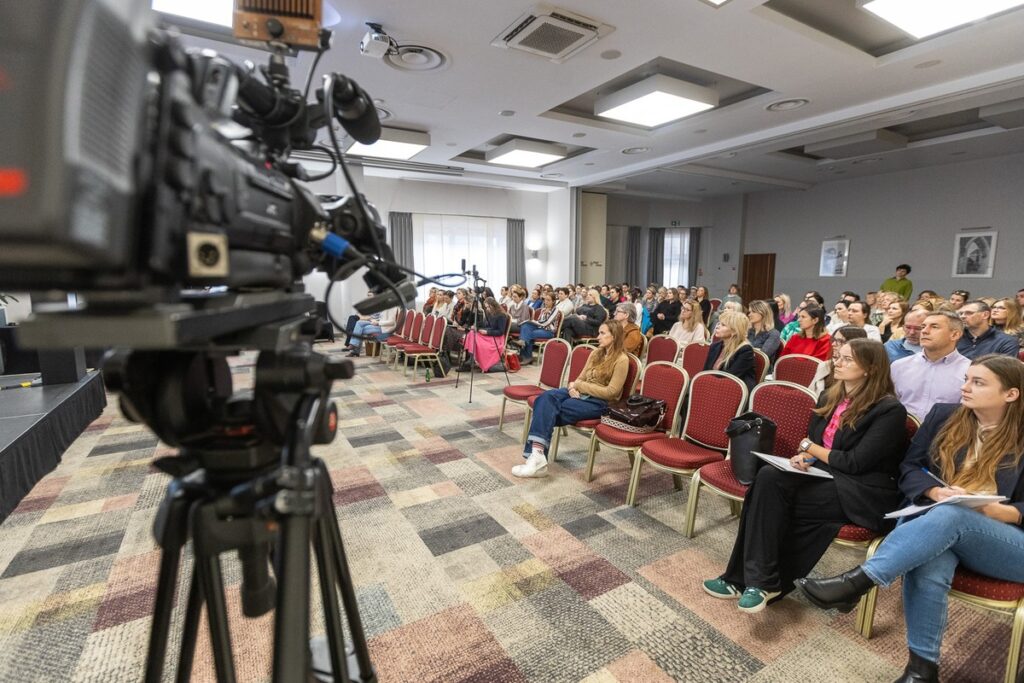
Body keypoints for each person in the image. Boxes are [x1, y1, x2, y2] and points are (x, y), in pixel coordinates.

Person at [796, 355, 1024, 683]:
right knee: (931, 555)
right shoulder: (946, 416)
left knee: (949, 517)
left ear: (1011, 394)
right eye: (967, 379)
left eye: (978, 382)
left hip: (1008, 539)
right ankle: (921, 670)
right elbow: (910, 467)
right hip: (939, 524)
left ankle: (858, 582)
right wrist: (932, 492)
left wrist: (1007, 511)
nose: (965, 387)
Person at [703, 339, 907, 612]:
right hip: (825, 473)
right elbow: (814, 440)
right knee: (766, 479)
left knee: (774, 503)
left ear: (870, 369)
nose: (838, 362)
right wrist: (805, 456)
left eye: (848, 359)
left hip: (860, 489)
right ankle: (760, 581)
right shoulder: (829, 397)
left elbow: (855, 462)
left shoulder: (888, 409)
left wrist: (810, 448)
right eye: (838, 356)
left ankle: (747, 580)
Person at [514, 321, 630, 478]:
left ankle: (536, 458)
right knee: (545, 398)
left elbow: (612, 392)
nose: (598, 337)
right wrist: (572, 388)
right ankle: (538, 456)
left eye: (602, 333)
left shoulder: (622, 360)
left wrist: (580, 386)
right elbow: (579, 378)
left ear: (614, 335)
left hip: (599, 403)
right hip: (578, 392)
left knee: (548, 409)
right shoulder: (596, 353)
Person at [891, 311, 970, 421]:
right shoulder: (899, 366)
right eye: (923, 326)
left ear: (955, 335)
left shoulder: (969, 370)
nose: (924, 331)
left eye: (934, 327)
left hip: (946, 434)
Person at [704, 311, 756, 391]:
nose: (717, 326)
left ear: (735, 331)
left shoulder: (745, 350)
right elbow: (705, 371)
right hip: (713, 386)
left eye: (723, 325)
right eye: (719, 323)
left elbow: (730, 377)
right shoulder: (715, 346)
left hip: (733, 391)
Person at [810, 326, 868, 396]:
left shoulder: (857, 373)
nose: (833, 344)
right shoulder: (824, 366)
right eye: (834, 340)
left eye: (840, 341)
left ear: (855, 344)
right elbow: (810, 396)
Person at [460, 298, 509, 372]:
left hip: (496, 338)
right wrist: (476, 326)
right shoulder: (489, 313)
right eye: (486, 307)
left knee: (474, 338)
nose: (487, 309)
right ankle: (471, 359)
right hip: (489, 335)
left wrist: (487, 332)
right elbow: (484, 324)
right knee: (471, 334)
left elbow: (501, 332)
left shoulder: (501, 315)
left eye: (488, 307)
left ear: (494, 305)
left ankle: (471, 360)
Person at [518, 293, 560, 365]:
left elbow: (547, 323)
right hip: (540, 328)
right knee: (525, 325)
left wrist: (546, 314)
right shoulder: (543, 309)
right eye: (545, 300)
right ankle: (523, 345)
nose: (546, 302)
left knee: (531, 333)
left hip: (549, 331)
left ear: (553, 301)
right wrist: (532, 322)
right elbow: (539, 321)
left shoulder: (556, 310)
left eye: (548, 300)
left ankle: (526, 355)